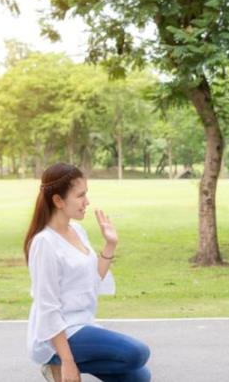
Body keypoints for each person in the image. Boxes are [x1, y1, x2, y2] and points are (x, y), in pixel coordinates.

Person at [24, 162, 151, 382]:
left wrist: (110, 245)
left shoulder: (78, 231)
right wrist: (68, 361)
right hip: (59, 335)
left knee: (139, 377)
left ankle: (58, 367)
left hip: (84, 323)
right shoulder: (45, 243)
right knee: (137, 353)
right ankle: (55, 362)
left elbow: (93, 280)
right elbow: (47, 308)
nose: (87, 202)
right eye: (81, 195)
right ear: (58, 200)